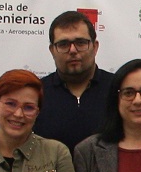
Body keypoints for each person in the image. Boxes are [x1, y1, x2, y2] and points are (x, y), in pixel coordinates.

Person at [35, 11, 115, 151]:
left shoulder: (119, 89)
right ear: (52, 50)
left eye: (81, 42)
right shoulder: (37, 94)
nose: (73, 50)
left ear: (95, 47)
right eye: (63, 44)